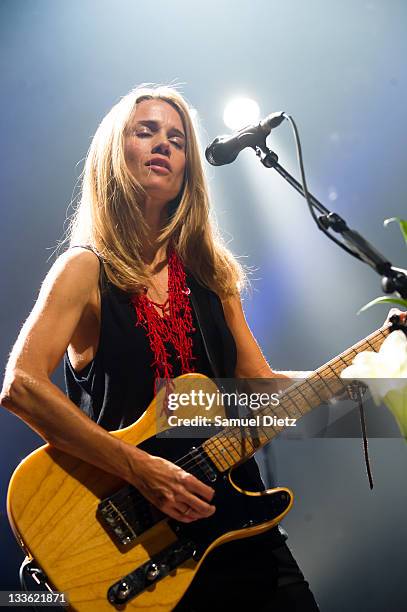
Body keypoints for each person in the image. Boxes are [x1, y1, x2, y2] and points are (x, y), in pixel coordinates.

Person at [1, 84, 320, 611]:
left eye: (177, 138)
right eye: (146, 131)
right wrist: (140, 469)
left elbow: (263, 391)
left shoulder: (214, 279)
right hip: (139, 546)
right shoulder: (84, 270)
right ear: (114, 153)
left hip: (237, 529)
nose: (164, 145)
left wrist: (372, 375)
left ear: (189, 168)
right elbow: (21, 386)